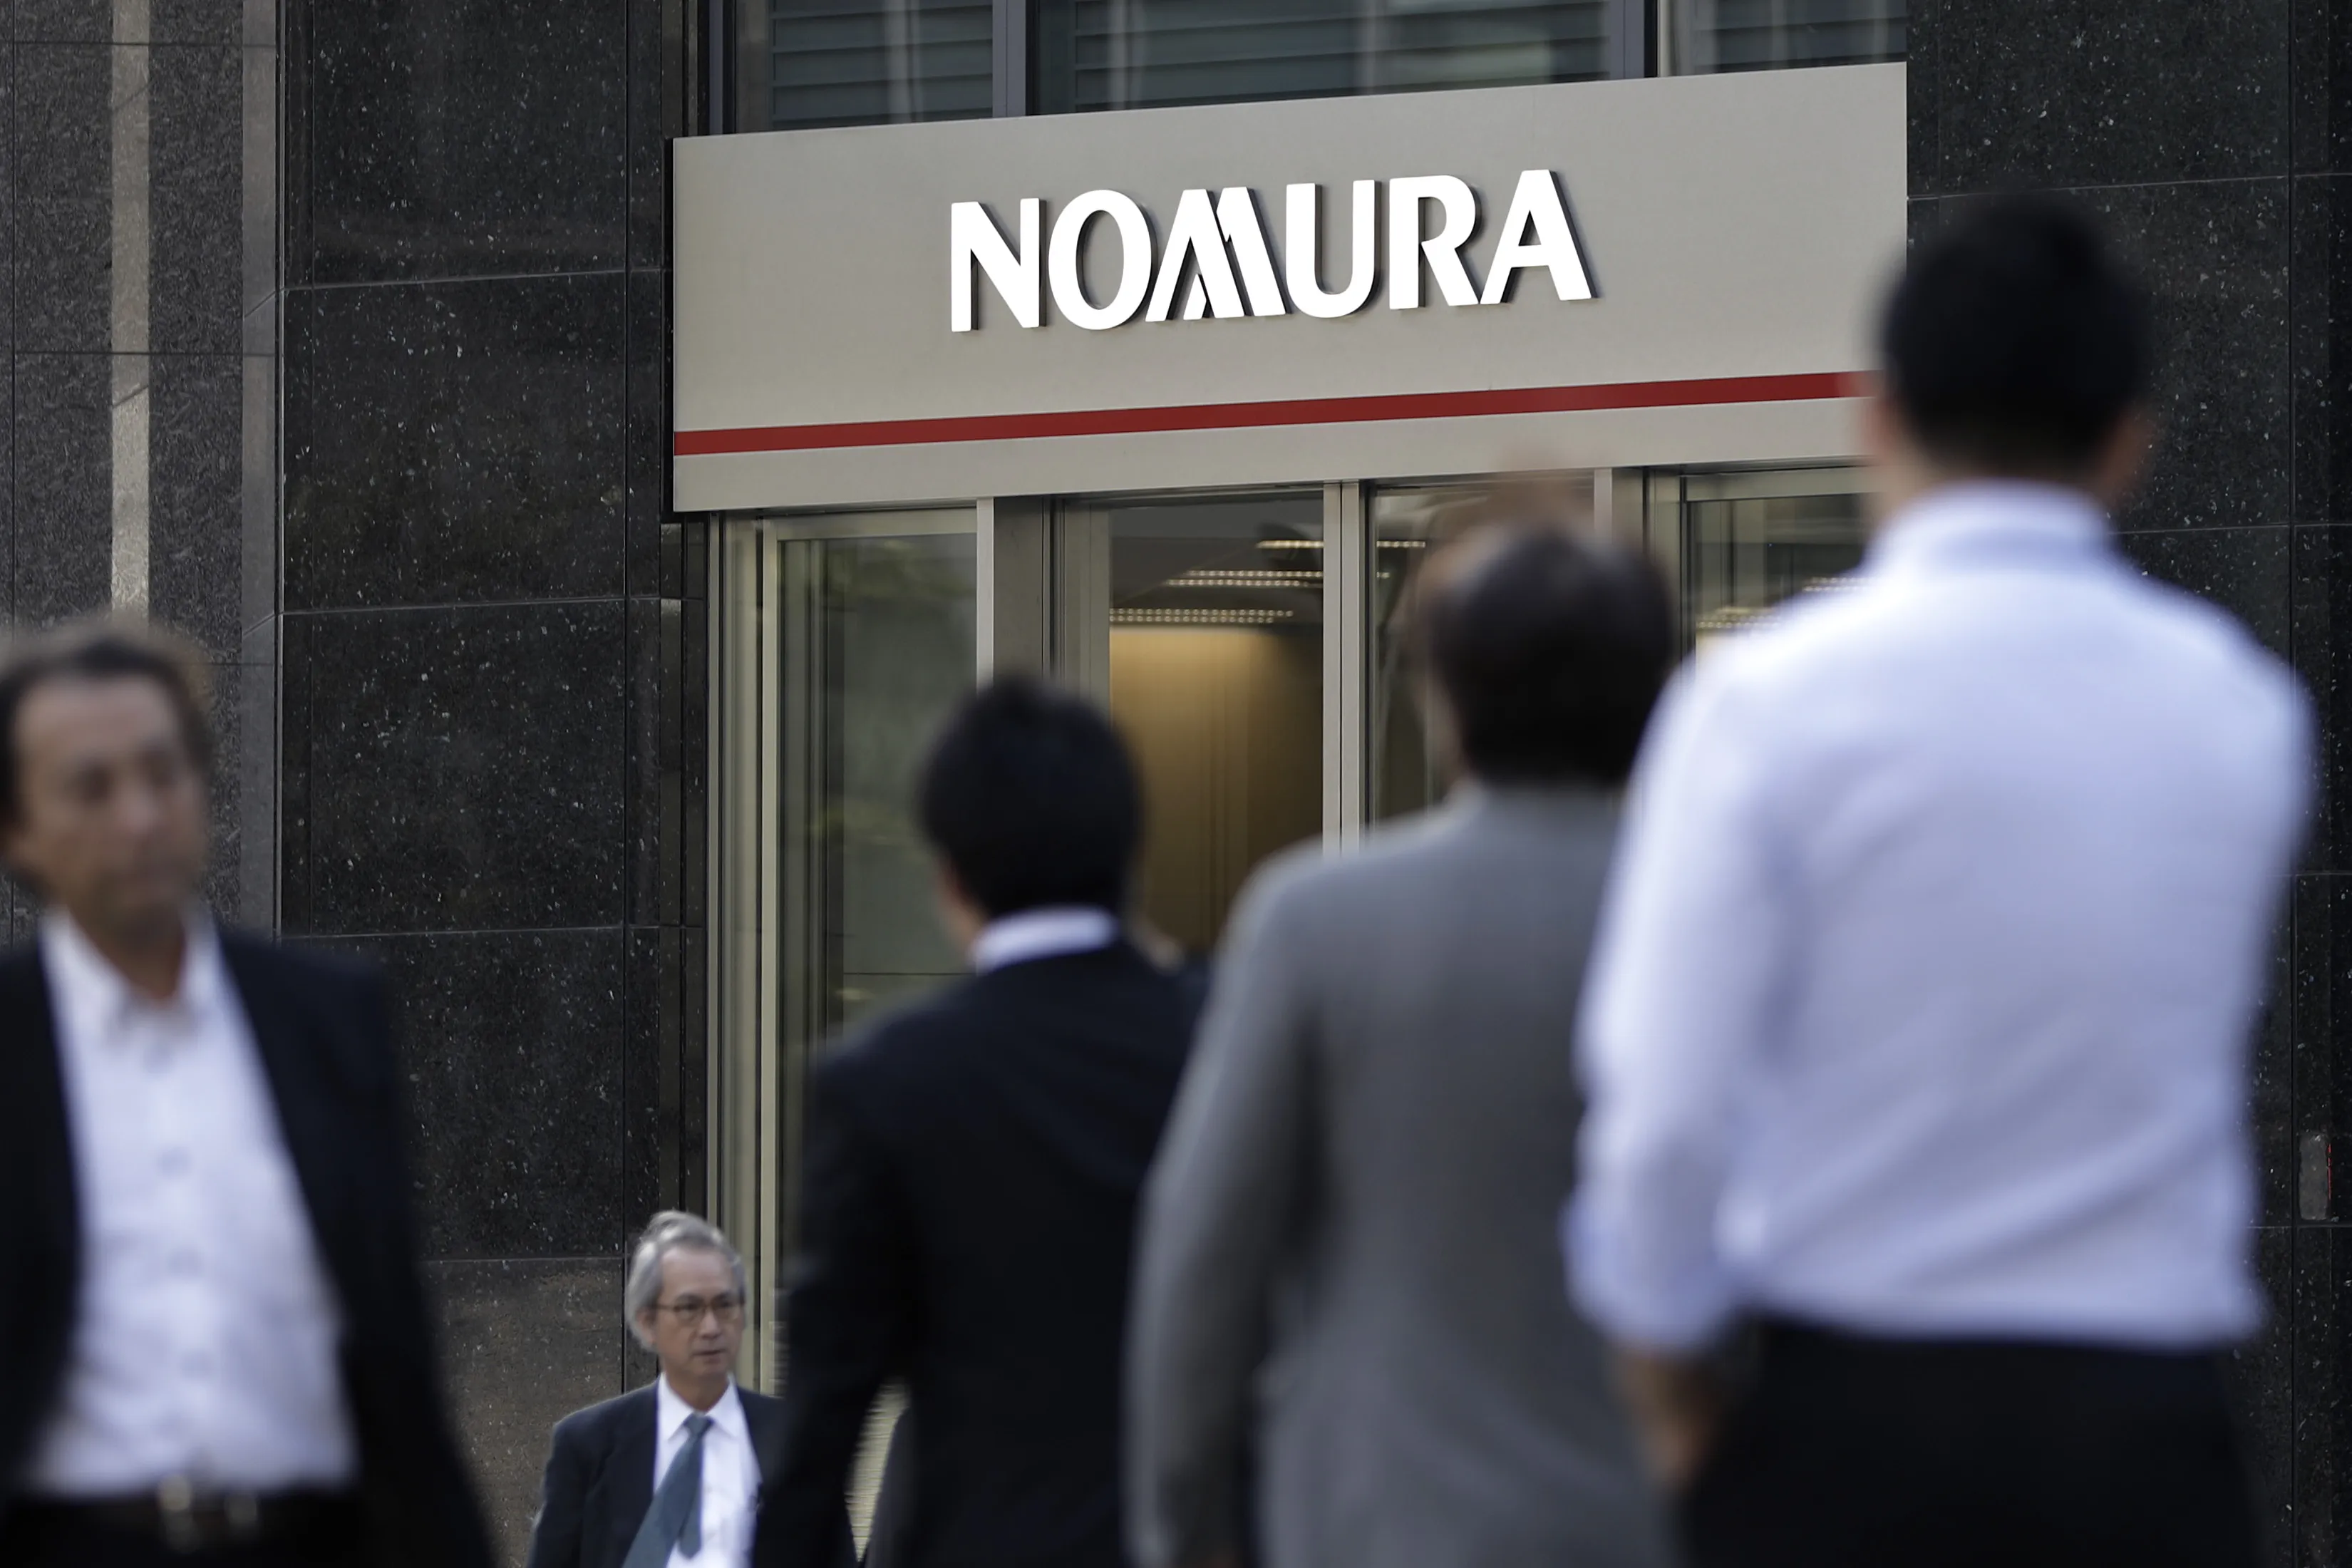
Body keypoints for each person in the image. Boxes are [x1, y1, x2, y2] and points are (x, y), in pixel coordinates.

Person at [1569, 196, 2313, 1568]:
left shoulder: (1761, 704)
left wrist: (1665, 1370)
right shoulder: (2241, 712)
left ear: (1879, 419)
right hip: (2146, 1431)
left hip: (1849, 1423)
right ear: (2128, 444)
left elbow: (1664, 1110)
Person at [1126, 525, 1678, 1568]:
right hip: (1661, 1518)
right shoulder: (1726, 922)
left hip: (1378, 1516)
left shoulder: (1318, 920)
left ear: (1448, 705)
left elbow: (1205, 1255)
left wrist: (1185, 1522)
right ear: (1657, 699)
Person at [0, 621, 493, 1568]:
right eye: (91, 787)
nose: (140, 817)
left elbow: (396, 1358)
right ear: (18, 827)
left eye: (163, 772)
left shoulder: (330, 1020)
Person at [754, 678, 1200, 1568]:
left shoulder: (884, 1080)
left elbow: (823, 1418)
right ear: (1131, 851)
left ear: (949, 878)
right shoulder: (1231, 1033)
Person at [527, 1213, 845, 1568]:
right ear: (648, 1322)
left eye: (725, 1306)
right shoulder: (588, 1444)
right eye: (689, 1308)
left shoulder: (797, 1437)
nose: (711, 1327)